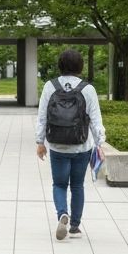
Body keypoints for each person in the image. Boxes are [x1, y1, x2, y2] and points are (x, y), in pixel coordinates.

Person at [35, 49, 105, 240]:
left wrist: (40, 141)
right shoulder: (87, 89)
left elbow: (42, 116)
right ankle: (74, 226)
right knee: (77, 186)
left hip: (57, 145)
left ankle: (62, 214)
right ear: (80, 67)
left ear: (60, 65)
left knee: (59, 184)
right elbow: (96, 119)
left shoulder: (51, 86)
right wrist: (100, 143)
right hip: (81, 146)